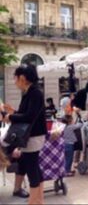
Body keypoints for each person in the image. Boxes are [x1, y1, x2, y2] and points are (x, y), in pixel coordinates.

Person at [3, 64, 47, 205]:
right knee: (34, 167)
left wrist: (10, 117)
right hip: (33, 135)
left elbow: (29, 116)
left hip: (34, 136)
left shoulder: (35, 93)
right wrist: (13, 113)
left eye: (15, 78)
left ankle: (34, 201)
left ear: (22, 78)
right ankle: (38, 200)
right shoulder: (30, 92)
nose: (15, 81)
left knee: (31, 168)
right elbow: (26, 114)